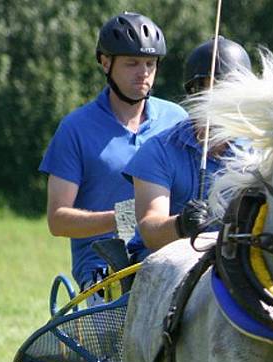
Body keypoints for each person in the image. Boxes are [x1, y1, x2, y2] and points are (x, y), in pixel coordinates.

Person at [39, 12, 187, 292]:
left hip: (171, 260)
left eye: (150, 63)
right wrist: (127, 218)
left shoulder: (177, 120)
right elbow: (57, 220)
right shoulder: (75, 128)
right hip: (103, 271)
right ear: (105, 63)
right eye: (132, 63)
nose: (143, 72)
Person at [123, 36, 252, 262]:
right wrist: (181, 224)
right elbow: (150, 231)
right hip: (163, 266)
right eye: (217, 90)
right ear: (195, 92)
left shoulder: (259, 152)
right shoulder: (158, 151)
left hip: (235, 263)